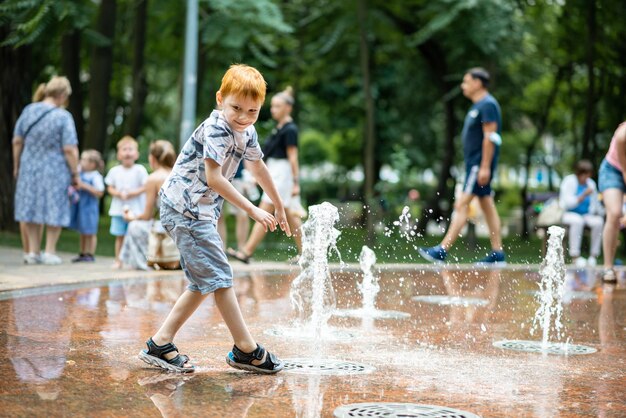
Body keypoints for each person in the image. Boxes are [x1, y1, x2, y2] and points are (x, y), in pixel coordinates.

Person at [138, 64, 291, 373]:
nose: (244, 116)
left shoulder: (246, 130)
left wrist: (279, 204)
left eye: (253, 111)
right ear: (221, 99)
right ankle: (246, 349)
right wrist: (253, 209)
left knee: (203, 280)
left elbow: (258, 167)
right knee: (220, 276)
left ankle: (160, 344)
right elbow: (214, 178)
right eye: (236, 107)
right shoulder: (217, 128)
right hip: (185, 209)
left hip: (199, 212)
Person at [419, 68, 505, 265]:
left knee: (461, 204)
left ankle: (441, 250)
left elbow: (490, 137)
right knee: (487, 206)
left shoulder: (488, 105)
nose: (463, 86)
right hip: (475, 165)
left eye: (466, 82)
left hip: (478, 165)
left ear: (478, 83)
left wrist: (484, 167)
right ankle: (498, 254)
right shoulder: (478, 106)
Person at [227, 86, 305, 264]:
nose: (273, 110)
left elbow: (293, 158)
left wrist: (295, 182)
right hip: (275, 171)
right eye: (272, 106)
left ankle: (246, 251)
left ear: (288, 108)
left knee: (265, 209)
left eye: (278, 106)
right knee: (290, 215)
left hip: (282, 173)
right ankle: (307, 255)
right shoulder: (279, 128)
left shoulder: (290, 129)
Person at [12, 75, 79, 265]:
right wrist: (75, 173)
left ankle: (33, 252)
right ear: (63, 94)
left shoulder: (29, 110)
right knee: (54, 205)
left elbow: (17, 141)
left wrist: (17, 165)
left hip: (29, 166)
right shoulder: (63, 116)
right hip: (54, 168)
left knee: (30, 205)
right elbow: (69, 148)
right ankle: (49, 252)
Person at [120, 140, 176, 270]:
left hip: (168, 230)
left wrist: (131, 217)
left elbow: (147, 216)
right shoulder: (179, 173)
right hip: (184, 227)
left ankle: (146, 264)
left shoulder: (153, 178)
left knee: (134, 227)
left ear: (152, 158)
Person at [105, 136, 148, 269]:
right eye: (124, 149)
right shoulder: (114, 171)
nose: (127, 152)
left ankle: (133, 260)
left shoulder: (140, 169)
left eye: (131, 149)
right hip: (118, 210)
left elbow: (145, 186)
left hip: (135, 211)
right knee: (119, 236)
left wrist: (132, 193)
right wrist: (118, 193)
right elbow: (109, 187)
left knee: (135, 236)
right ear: (119, 154)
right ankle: (118, 260)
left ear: (136, 154)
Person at [558, 160, 604, 268]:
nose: (586, 178)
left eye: (588, 175)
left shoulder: (591, 184)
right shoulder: (568, 181)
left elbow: (595, 205)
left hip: (586, 215)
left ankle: (593, 256)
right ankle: (575, 257)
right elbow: (567, 203)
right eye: (585, 175)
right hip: (569, 214)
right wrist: (583, 195)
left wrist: (604, 210)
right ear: (579, 173)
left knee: (599, 222)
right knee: (577, 221)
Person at [598, 121, 626, 283]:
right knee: (615, 213)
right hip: (614, 169)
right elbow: (625, 171)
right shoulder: (623, 134)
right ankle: (608, 267)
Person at [69, 150, 106, 262]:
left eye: (84, 160)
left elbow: (100, 192)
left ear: (92, 164)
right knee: (83, 230)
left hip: (89, 208)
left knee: (90, 231)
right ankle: (83, 252)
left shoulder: (95, 176)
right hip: (81, 207)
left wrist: (83, 186)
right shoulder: (81, 174)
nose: (81, 162)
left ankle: (90, 253)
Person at [217, 162, 259, 250]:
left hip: (238, 178)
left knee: (243, 214)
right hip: (217, 177)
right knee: (218, 215)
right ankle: (221, 249)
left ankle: (242, 249)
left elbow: (247, 154)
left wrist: (250, 176)